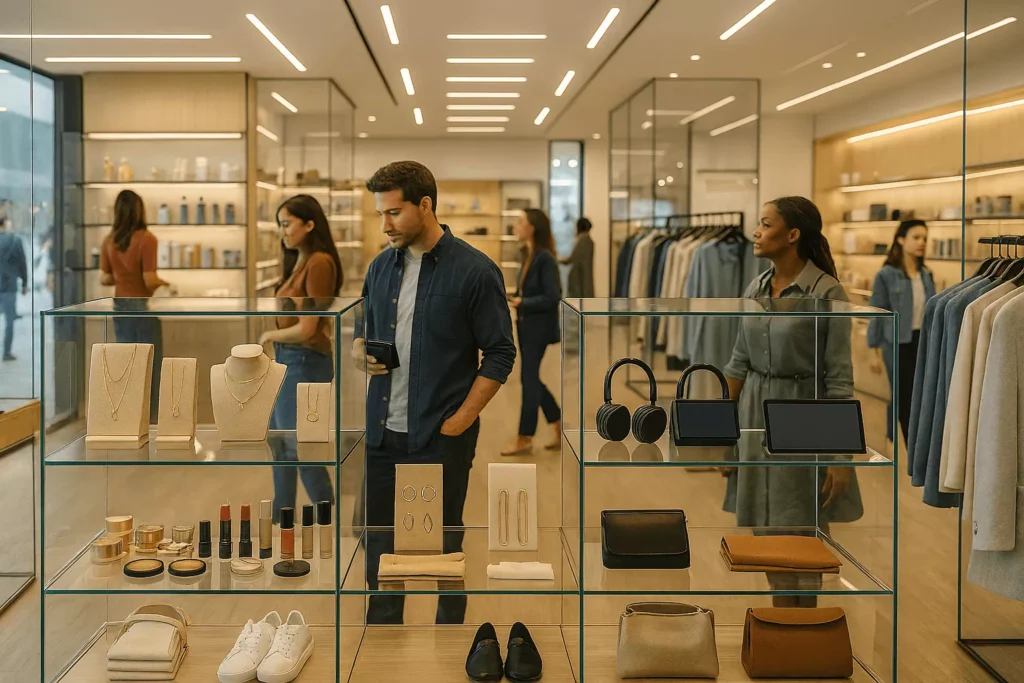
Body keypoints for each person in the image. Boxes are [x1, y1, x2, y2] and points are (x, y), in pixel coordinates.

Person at [356, 160, 516, 624]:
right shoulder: (380, 268)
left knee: (445, 543)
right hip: (384, 431)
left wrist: (462, 419)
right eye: (380, 214)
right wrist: (359, 353)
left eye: (394, 213)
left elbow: (501, 353)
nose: (385, 225)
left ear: (426, 205)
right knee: (380, 546)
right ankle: (382, 638)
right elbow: (363, 334)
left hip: (441, 434)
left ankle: (451, 643)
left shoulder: (475, 272)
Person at [723, 196, 860, 606]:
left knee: (800, 528)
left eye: (766, 224)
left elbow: (838, 379)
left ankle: (805, 627)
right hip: (755, 413)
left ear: (793, 234)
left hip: (803, 413)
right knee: (766, 528)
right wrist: (718, 433)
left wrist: (841, 458)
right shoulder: (756, 287)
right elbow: (738, 362)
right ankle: (784, 622)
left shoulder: (825, 291)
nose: (756, 232)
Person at [258, 195, 343, 521]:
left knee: (299, 447)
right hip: (291, 359)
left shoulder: (319, 262)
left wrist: (270, 336)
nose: (283, 231)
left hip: (304, 359)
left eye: (286, 223)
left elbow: (308, 328)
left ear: (309, 224)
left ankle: (324, 514)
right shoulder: (302, 260)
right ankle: (283, 517)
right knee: (282, 446)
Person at [100, 190, 170, 417]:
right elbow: (149, 280)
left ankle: (126, 418)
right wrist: (167, 284)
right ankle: (149, 420)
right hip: (142, 309)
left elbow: (105, 278)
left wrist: (122, 275)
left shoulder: (109, 241)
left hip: (119, 307)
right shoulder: (147, 239)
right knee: (149, 367)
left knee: (125, 365)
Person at [867, 220, 934, 445]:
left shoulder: (925, 274)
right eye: (916, 237)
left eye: (924, 238)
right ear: (901, 239)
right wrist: (873, 351)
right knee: (902, 394)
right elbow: (878, 312)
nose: (922, 243)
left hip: (920, 340)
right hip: (896, 342)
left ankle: (915, 440)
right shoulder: (886, 275)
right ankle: (906, 442)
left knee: (920, 392)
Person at [502, 208, 563, 455]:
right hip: (528, 327)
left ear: (532, 227)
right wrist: (517, 297)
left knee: (529, 380)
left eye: (520, 222)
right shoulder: (530, 255)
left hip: (538, 329)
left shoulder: (544, 258)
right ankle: (557, 423)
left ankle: (525, 436)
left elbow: (552, 296)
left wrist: (523, 302)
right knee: (531, 379)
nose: (515, 226)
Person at [0, 200, 28, 361]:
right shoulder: (15, 240)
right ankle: (6, 351)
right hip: (9, 285)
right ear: (7, 223)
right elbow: (22, 263)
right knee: (9, 320)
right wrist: (24, 283)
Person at [559, 216, 595, 298]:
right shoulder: (589, 240)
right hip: (584, 277)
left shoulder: (583, 240)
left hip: (579, 277)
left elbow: (571, 259)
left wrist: (557, 259)